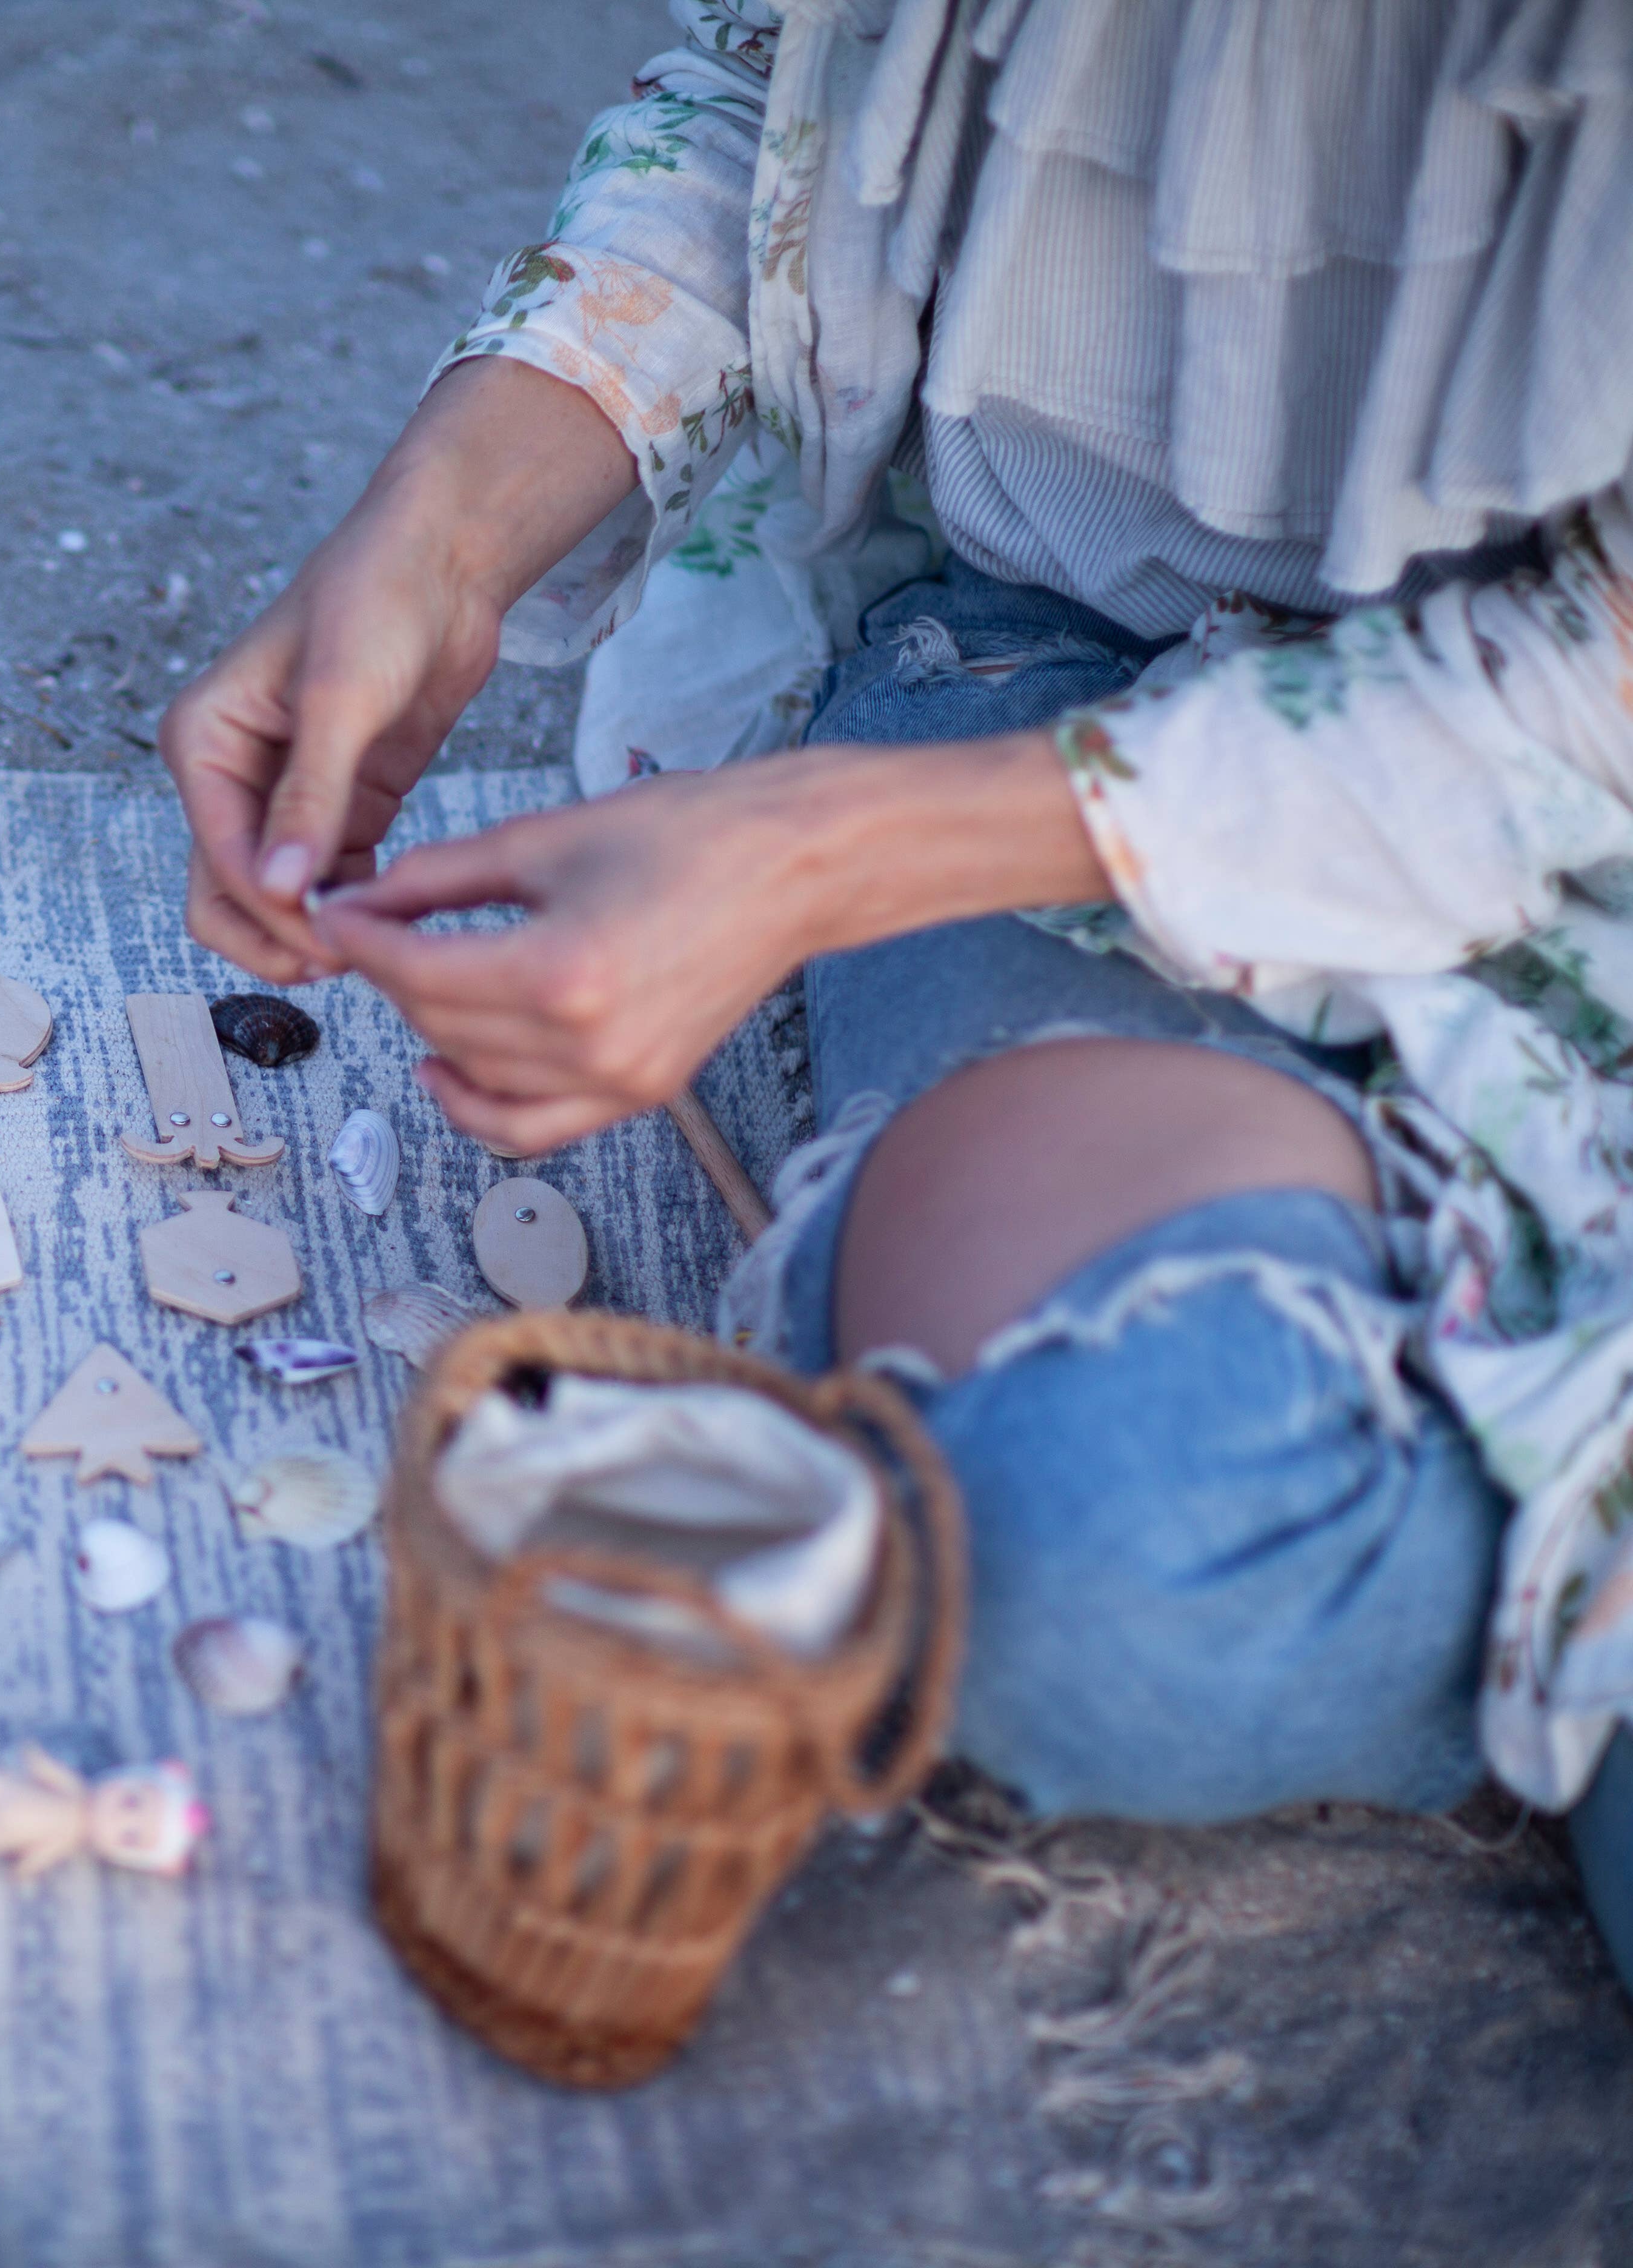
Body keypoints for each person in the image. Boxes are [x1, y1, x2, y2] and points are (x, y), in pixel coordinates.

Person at [164, 0, 1633, 1979]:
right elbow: (776, 94)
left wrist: (806, 860)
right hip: (1045, 685)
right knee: (1118, 1569)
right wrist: (445, 528)